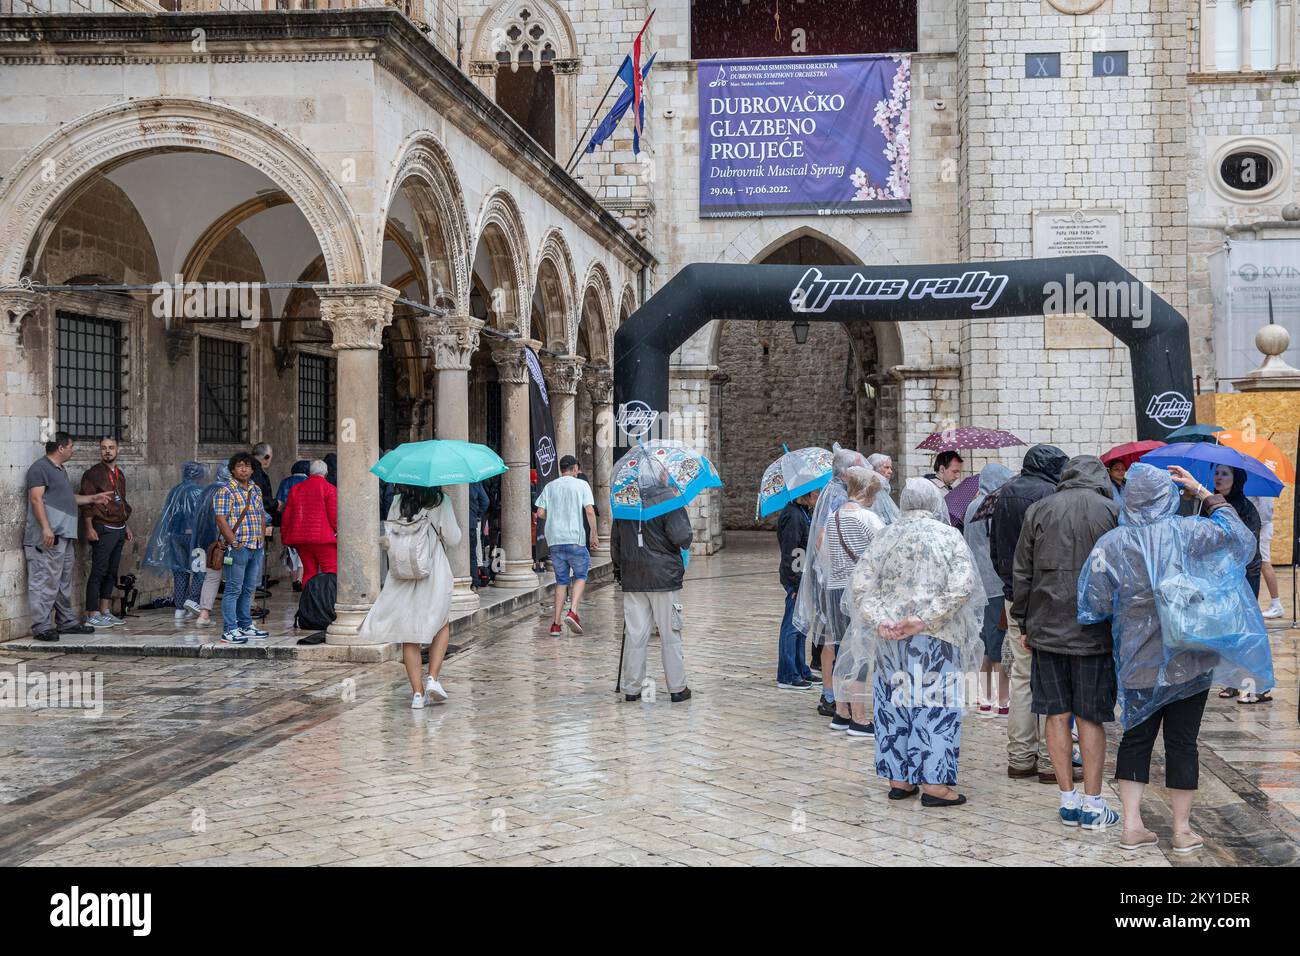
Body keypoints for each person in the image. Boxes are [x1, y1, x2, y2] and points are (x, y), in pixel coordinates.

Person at [1078, 463, 1273, 854]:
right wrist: (1203, 492)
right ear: (1167, 495)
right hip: (1191, 657)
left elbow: (1092, 604)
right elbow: (1240, 538)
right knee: (1183, 743)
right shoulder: (1188, 532)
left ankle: (1132, 825)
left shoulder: (1111, 544)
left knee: (1135, 739)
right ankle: (1182, 831)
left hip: (1137, 659)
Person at [839, 478, 982, 807]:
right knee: (935, 705)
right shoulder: (948, 536)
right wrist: (925, 619)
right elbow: (963, 584)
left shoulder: (884, 535)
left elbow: (859, 585)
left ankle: (899, 779)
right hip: (935, 636)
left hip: (891, 638)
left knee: (893, 704)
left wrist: (882, 620)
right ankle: (935, 784)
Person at [1012, 456, 1121, 825]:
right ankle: (1093, 804)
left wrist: (1022, 621)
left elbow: (1022, 572)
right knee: (1091, 717)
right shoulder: (1111, 510)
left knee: (1055, 714)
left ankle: (1067, 799)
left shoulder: (1040, 510)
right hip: (1095, 633)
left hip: (1047, 628)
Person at [990, 442, 1070, 781]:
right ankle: (1053, 762)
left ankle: (1020, 757)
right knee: (1050, 678)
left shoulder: (1003, 494)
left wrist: (1010, 589)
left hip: (1014, 597)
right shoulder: (1052, 495)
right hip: (1047, 598)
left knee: (1021, 677)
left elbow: (996, 550)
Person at [360, 483, 460, 708]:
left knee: (409, 632)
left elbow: (390, 533)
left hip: (404, 571)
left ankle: (417, 694)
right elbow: (454, 538)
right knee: (441, 622)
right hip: (434, 569)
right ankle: (433, 678)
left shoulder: (397, 501)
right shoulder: (441, 501)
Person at [794, 446, 865, 709]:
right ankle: (834, 696)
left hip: (830, 578)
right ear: (847, 472)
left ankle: (830, 693)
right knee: (837, 637)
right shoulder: (837, 496)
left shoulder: (832, 491)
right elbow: (822, 538)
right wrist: (840, 563)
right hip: (835, 580)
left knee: (831, 635)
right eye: (858, 467)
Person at [25, 432, 114, 641]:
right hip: (47, 537)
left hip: (64, 536)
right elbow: (36, 500)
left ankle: (66, 622)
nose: (73, 450)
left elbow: (67, 498)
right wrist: (46, 528)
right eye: (72, 446)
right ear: (61, 448)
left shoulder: (59, 470)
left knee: (63, 582)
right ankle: (41, 627)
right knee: (44, 581)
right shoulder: (40, 468)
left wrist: (93, 498)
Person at [611, 481, 695, 703]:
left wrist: (620, 569)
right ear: (661, 476)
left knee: (635, 635)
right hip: (664, 577)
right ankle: (677, 687)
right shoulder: (669, 500)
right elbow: (682, 537)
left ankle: (631, 688)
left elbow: (616, 544)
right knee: (670, 633)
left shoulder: (624, 502)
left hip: (633, 577)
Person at [820, 466, 885, 736]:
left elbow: (825, 555)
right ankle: (859, 717)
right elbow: (884, 553)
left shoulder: (833, 516)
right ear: (868, 491)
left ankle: (841, 711)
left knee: (841, 649)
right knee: (861, 652)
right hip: (861, 592)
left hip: (835, 589)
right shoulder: (868, 519)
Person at [1213, 466, 1270, 703]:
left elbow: (1249, 544)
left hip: (1244, 575)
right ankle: (1232, 682)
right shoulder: (1209, 506)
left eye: (1225, 473)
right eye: (1216, 473)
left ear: (1236, 480)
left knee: (1246, 630)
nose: (1218, 477)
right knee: (1226, 630)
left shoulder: (1246, 508)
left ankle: (1261, 685)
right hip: (1219, 577)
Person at [963, 462, 1012, 718]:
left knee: (985, 641)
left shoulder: (972, 505)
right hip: (994, 584)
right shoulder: (991, 507)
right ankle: (1002, 700)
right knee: (999, 644)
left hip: (978, 584)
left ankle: (985, 697)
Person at [533, 455, 598, 635]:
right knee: (580, 575)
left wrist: (554, 516)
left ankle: (555, 624)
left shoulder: (550, 486)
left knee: (561, 581)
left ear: (561, 469)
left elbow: (539, 512)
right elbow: (590, 511)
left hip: (555, 540)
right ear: (575, 468)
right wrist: (594, 534)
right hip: (575, 538)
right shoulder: (582, 485)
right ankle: (573, 611)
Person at [143, 460, 209, 622]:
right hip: (193, 537)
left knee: (180, 571)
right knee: (200, 569)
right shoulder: (198, 491)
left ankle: (179, 608)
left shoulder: (175, 490)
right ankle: (192, 600)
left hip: (174, 536)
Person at [214, 451, 268, 645]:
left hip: (255, 545)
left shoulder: (256, 489)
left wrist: (261, 538)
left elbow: (260, 514)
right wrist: (233, 541)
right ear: (232, 470)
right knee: (233, 589)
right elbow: (221, 519)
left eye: (247, 466)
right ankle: (229, 629)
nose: (243, 469)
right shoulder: (226, 491)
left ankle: (245, 624)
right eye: (239, 466)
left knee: (249, 588)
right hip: (238, 547)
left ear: (252, 470)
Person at [79, 436, 134, 628]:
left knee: (112, 572)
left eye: (111, 447)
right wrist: (89, 527)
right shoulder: (92, 474)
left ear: (117, 450)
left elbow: (121, 502)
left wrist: (125, 524)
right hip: (102, 527)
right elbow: (87, 503)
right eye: (103, 448)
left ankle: (105, 610)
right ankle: (92, 613)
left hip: (118, 527)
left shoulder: (120, 474)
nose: (107, 451)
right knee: (99, 571)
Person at [777, 486, 820, 689]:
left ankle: (801, 668)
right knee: (791, 626)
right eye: (816, 493)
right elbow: (792, 553)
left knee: (801, 625)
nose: (818, 496)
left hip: (804, 577)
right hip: (797, 579)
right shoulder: (793, 516)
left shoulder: (804, 512)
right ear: (807, 494)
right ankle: (787, 674)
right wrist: (794, 584)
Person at [280, 460, 338, 585]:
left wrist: (285, 536)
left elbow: (287, 516)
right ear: (326, 473)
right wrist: (340, 532)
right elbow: (334, 516)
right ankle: (328, 601)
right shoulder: (330, 489)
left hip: (301, 539)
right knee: (331, 571)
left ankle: (308, 601)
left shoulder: (296, 489)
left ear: (309, 472)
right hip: (324, 539)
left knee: (309, 571)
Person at [190, 465, 232, 627]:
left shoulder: (206, 490)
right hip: (225, 541)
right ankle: (233, 617)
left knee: (210, 576)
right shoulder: (228, 491)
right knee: (234, 580)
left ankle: (203, 613)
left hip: (207, 542)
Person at [276, 459, 311, 591]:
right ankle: (300, 580)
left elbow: (279, 504)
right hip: (305, 523)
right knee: (303, 553)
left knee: (291, 553)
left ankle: (294, 579)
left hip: (289, 521)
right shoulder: (308, 482)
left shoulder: (285, 482)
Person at [1251, 494, 1284, 619]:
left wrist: (1257, 525)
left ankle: (1276, 605)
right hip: (1253, 526)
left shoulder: (1260, 482)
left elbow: (1266, 510)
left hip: (1261, 527)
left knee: (1264, 563)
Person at [866, 452, 901, 525]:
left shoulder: (882, 489)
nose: (890, 471)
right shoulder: (872, 492)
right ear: (875, 468)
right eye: (886, 467)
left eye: (890, 468)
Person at [251, 442, 280, 526]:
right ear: (267, 457)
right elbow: (259, 498)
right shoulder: (256, 471)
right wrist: (276, 503)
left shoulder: (252, 466)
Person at [468, 479, 490, 589]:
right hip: (471, 523)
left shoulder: (449, 479)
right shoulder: (474, 482)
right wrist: (477, 514)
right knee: (472, 555)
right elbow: (485, 501)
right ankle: (474, 583)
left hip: (457, 522)